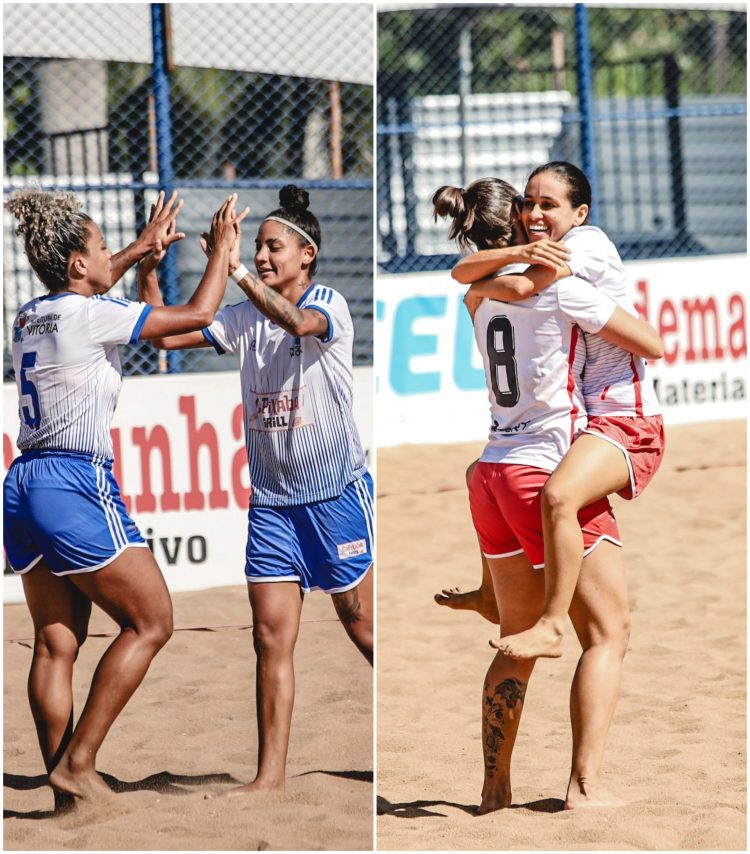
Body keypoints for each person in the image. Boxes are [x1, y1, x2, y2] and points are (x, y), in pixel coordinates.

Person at [3, 188, 243, 810]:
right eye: (102, 247)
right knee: (153, 621)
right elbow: (197, 313)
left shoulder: (30, 313)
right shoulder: (90, 315)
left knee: (56, 644)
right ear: (79, 266)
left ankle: (67, 796)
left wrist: (140, 248)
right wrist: (221, 251)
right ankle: (79, 766)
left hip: (23, 481)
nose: (112, 255)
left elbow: (95, 286)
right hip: (73, 482)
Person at [432, 176, 663, 811]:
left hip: (489, 474)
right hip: (542, 469)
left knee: (514, 641)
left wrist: (500, 259)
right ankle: (583, 789)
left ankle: (493, 789)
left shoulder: (478, 296)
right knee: (608, 635)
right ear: (521, 231)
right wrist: (536, 260)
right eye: (531, 212)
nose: (541, 220)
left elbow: (469, 275)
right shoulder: (556, 285)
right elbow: (649, 343)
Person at [138, 184, 373, 796]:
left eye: (274, 247)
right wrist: (149, 270)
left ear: (307, 255)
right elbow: (164, 338)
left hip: (334, 497)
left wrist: (234, 263)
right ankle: (269, 779)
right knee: (269, 639)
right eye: (259, 247)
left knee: (363, 628)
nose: (264, 255)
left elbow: (294, 319)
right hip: (271, 504)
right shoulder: (244, 317)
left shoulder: (329, 304)